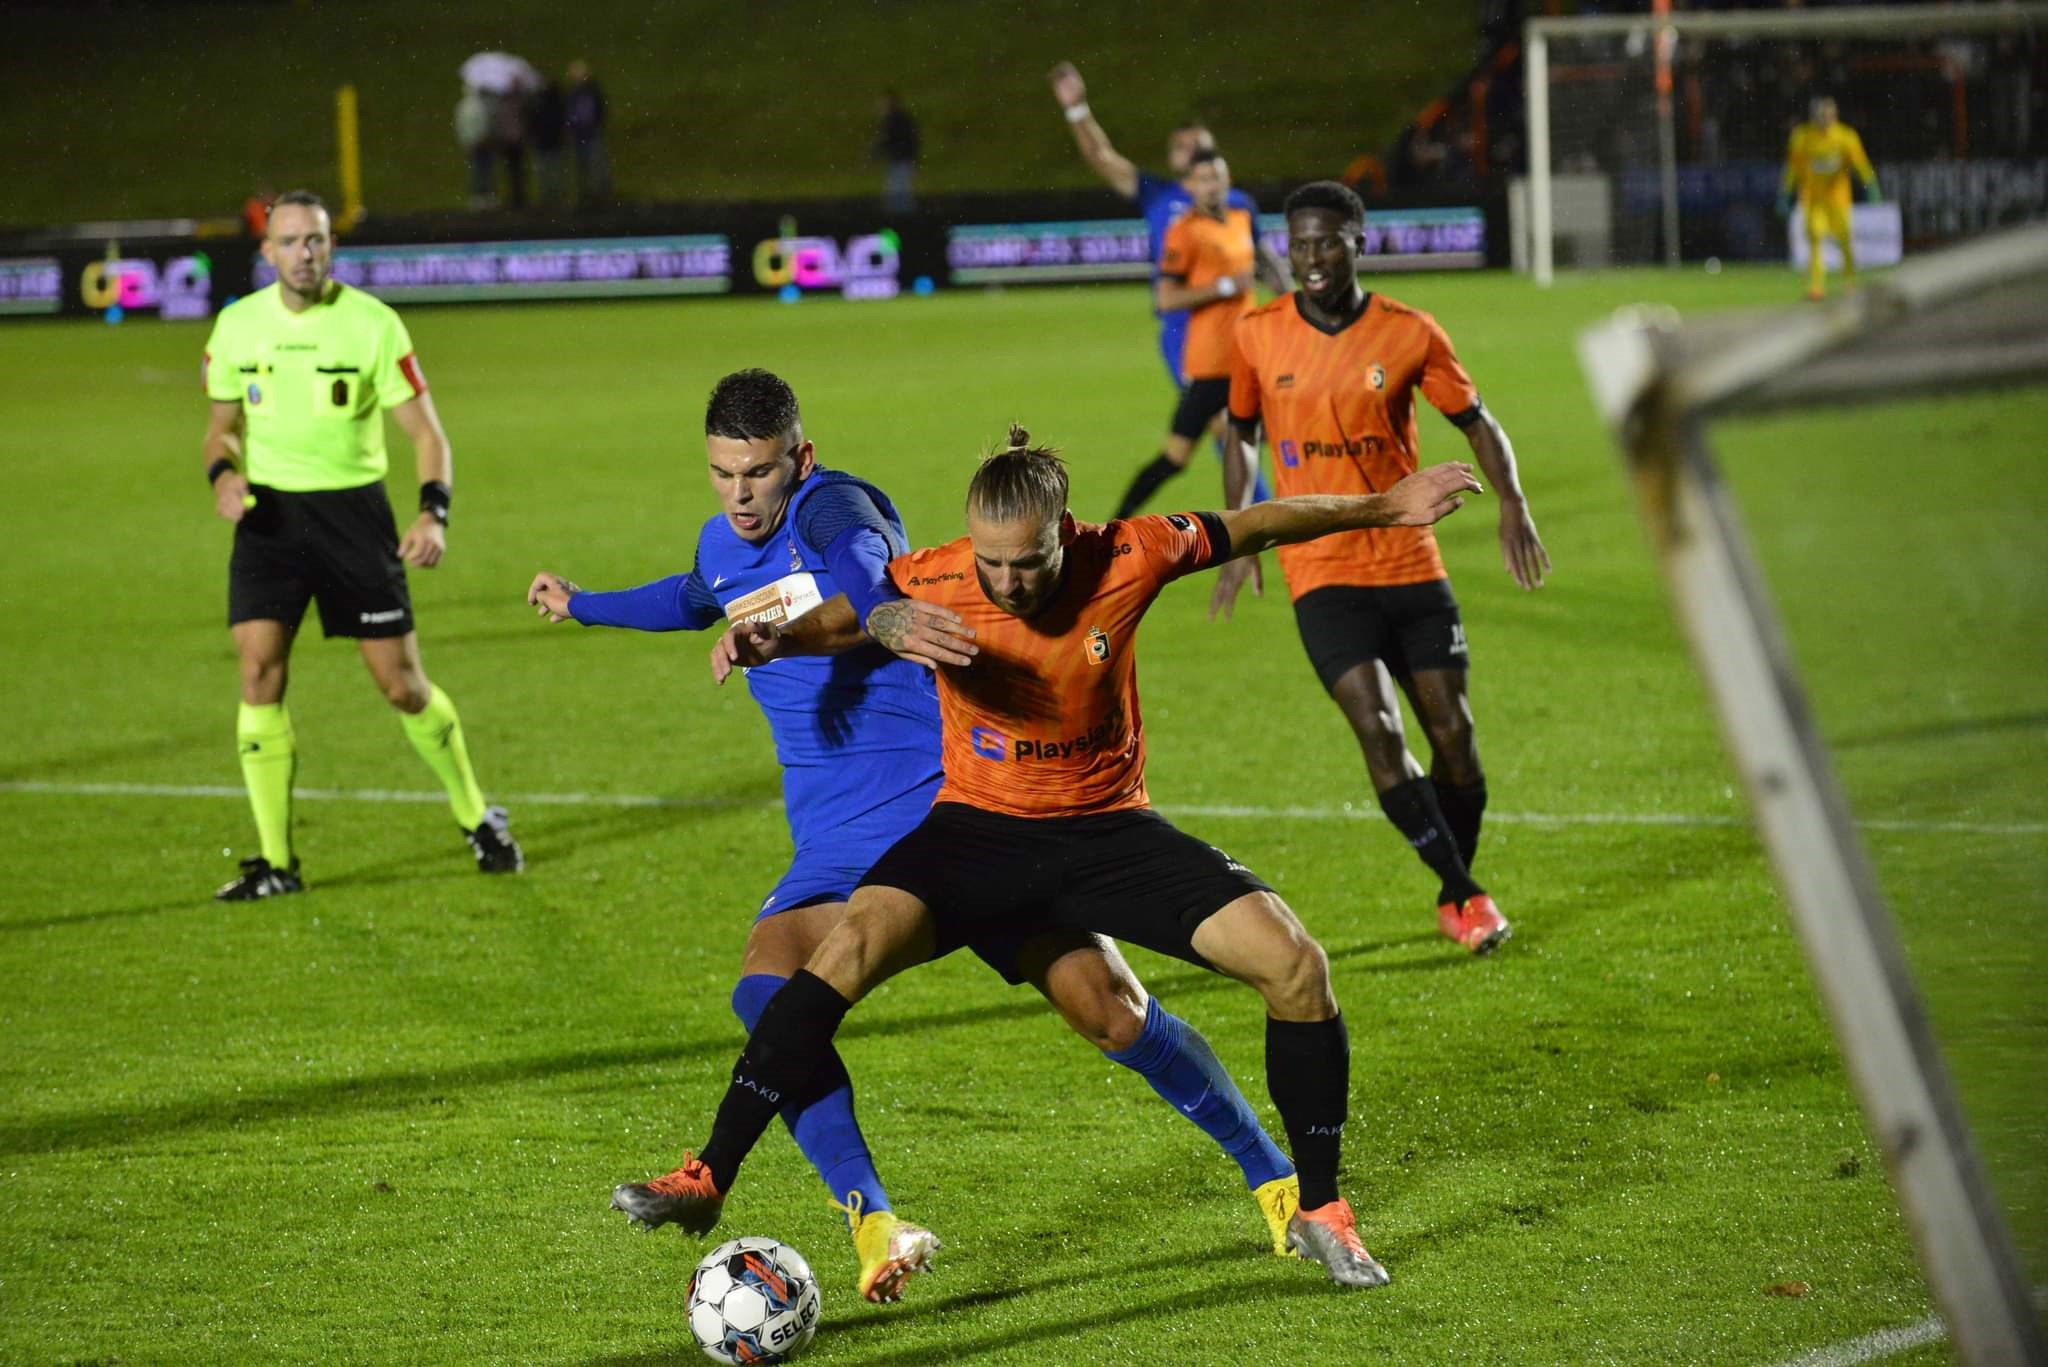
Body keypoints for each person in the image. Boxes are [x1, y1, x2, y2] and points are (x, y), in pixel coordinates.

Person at [608, 424, 1485, 1290]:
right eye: (991, 562)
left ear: (1064, 532)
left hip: (1110, 833)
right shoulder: (945, 573)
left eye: (1026, 562)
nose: (1006, 582)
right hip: (976, 832)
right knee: (840, 953)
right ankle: (710, 1174)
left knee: (1293, 966)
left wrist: (1386, 506)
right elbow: (855, 616)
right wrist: (776, 637)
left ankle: (1320, 1208)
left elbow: (1256, 522)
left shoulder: (1132, 553)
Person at [537, 370, 1301, 1302]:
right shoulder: (723, 544)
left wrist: (859, 619)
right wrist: (581, 602)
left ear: (799, 458)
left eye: (760, 472)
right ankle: (875, 1224)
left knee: (1110, 1011)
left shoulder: (836, 511)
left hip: (945, 810)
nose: (741, 493)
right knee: (766, 989)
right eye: (723, 473)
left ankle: (1278, 1181)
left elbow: (868, 577)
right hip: (830, 834)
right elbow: (695, 595)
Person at [1212, 180, 1550, 955]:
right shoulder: (1257, 334)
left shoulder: (1408, 332)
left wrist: (1513, 501)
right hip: (1320, 566)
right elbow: (1241, 433)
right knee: (1378, 725)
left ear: (1359, 243)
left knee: (1454, 736)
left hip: (1408, 560)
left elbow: (1476, 420)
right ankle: (1465, 893)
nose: (1311, 258)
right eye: (1299, 244)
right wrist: (1238, 535)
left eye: (1326, 243)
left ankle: (1454, 886)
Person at [199, 191, 521, 900]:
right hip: (269, 518)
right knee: (258, 672)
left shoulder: (372, 325)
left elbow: (427, 434)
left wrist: (433, 514)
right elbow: (221, 429)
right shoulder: (237, 327)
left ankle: (475, 813)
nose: (304, 254)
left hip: (353, 516)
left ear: (331, 246)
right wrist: (223, 474)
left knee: (402, 686)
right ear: (267, 251)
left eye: (315, 240)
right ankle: (277, 863)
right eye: (290, 241)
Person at [1048, 60, 1283, 503]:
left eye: (1197, 145)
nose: (1188, 151)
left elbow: (1264, 258)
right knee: (1225, 425)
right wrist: (1077, 109)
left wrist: (1292, 301)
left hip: (1240, 331)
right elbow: (1102, 157)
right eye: (1180, 146)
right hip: (1185, 333)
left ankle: (1261, 512)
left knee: (1223, 431)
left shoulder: (1238, 205)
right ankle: (1263, 511)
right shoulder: (1160, 196)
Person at [1111, 150, 1254, 519]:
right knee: (1177, 457)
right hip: (1210, 367)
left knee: (1244, 446)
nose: (1212, 186)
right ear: (1189, 186)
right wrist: (1224, 287)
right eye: (1203, 179)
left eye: (1217, 177)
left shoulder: (1241, 219)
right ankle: (1117, 521)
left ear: (1229, 180)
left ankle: (1250, 528)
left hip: (1246, 359)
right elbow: (1166, 298)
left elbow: (1261, 263)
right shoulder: (1184, 232)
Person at [1780, 96, 1880, 302]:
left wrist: (1871, 186)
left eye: (1829, 115)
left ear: (1835, 115)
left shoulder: (1846, 136)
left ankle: (1850, 283)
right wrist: (1786, 193)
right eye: (1821, 115)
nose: (1825, 119)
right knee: (1815, 238)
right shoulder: (1802, 137)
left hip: (1838, 199)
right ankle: (1816, 287)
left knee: (1844, 239)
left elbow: (1861, 164)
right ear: (1814, 116)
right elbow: (1792, 168)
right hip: (1812, 199)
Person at [566, 60, 611, 207]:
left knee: (597, 165)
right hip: (580, 135)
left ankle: (601, 195)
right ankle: (585, 194)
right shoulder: (574, 94)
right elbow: (570, 114)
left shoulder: (592, 92)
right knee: (582, 166)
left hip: (591, 134)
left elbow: (600, 111)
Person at [873, 91, 920, 214]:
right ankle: (902, 215)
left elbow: (891, 139)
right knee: (899, 189)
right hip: (899, 159)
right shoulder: (896, 119)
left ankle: (901, 216)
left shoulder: (895, 120)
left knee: (898, 190)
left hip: (900, 159)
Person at [455, 84, 494, 209]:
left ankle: (478, 196)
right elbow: (484, 125)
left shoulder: (462, 106)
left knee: (476, 170)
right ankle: (484, 195)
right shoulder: (481, 106)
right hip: (482, 142)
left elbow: (460, 127)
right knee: (483, 169)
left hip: (470, 142)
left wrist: (465, 141)